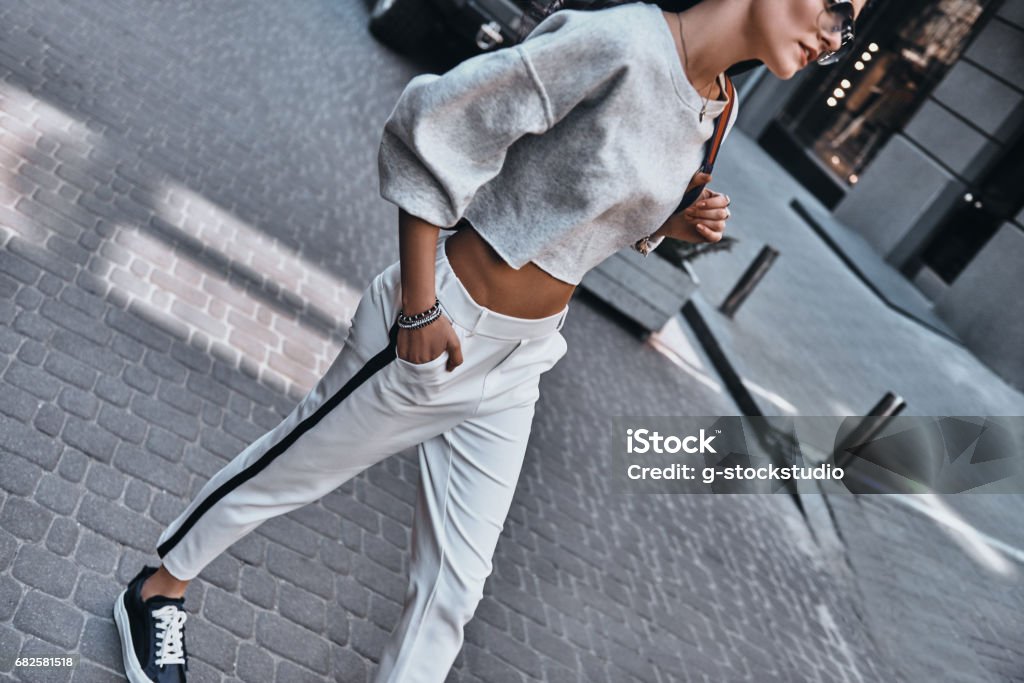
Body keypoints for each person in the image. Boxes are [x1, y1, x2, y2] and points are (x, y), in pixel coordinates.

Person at [112, 1, 863, 681]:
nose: (836, 38)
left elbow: (590, 205)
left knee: (454, 588)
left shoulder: (718, 105)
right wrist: (417, 306)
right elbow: (434, 124)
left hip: (524, 359)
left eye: (851, 26)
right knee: (290, 473)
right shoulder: (619, 42)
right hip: (442, 325)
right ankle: (157, 590)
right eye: (835, 8)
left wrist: (669, 225)